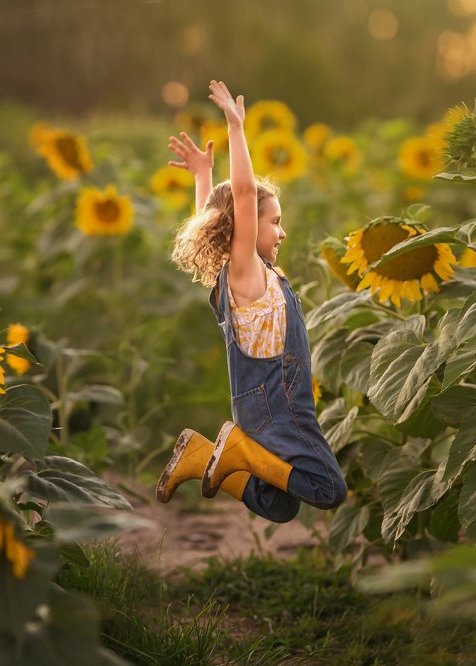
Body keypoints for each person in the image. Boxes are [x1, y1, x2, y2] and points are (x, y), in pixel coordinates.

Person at [155, 80, 347, 523]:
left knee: (279, 503)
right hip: (278, 409)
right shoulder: (248, 271)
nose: (282, 232)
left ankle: (205, 455)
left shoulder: (232, 277)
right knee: (328, 488)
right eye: (275, 222)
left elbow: (218, 217)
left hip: (257, 406)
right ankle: (237, 449)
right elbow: (242, 194)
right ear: (244, 225)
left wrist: (203, 176)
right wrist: (235, 127)